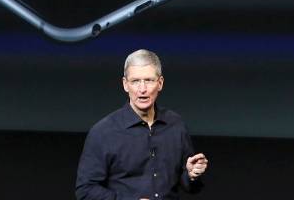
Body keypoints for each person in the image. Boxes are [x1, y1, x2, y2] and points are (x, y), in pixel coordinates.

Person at [76, 49, 208, 200]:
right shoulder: (103, 132)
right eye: (135, 81)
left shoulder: (176, 125)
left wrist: (191, 175)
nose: (142, 89)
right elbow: (85, 191)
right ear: (125, 84)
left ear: (160, 83)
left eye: (149, 80)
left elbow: (190, 186)